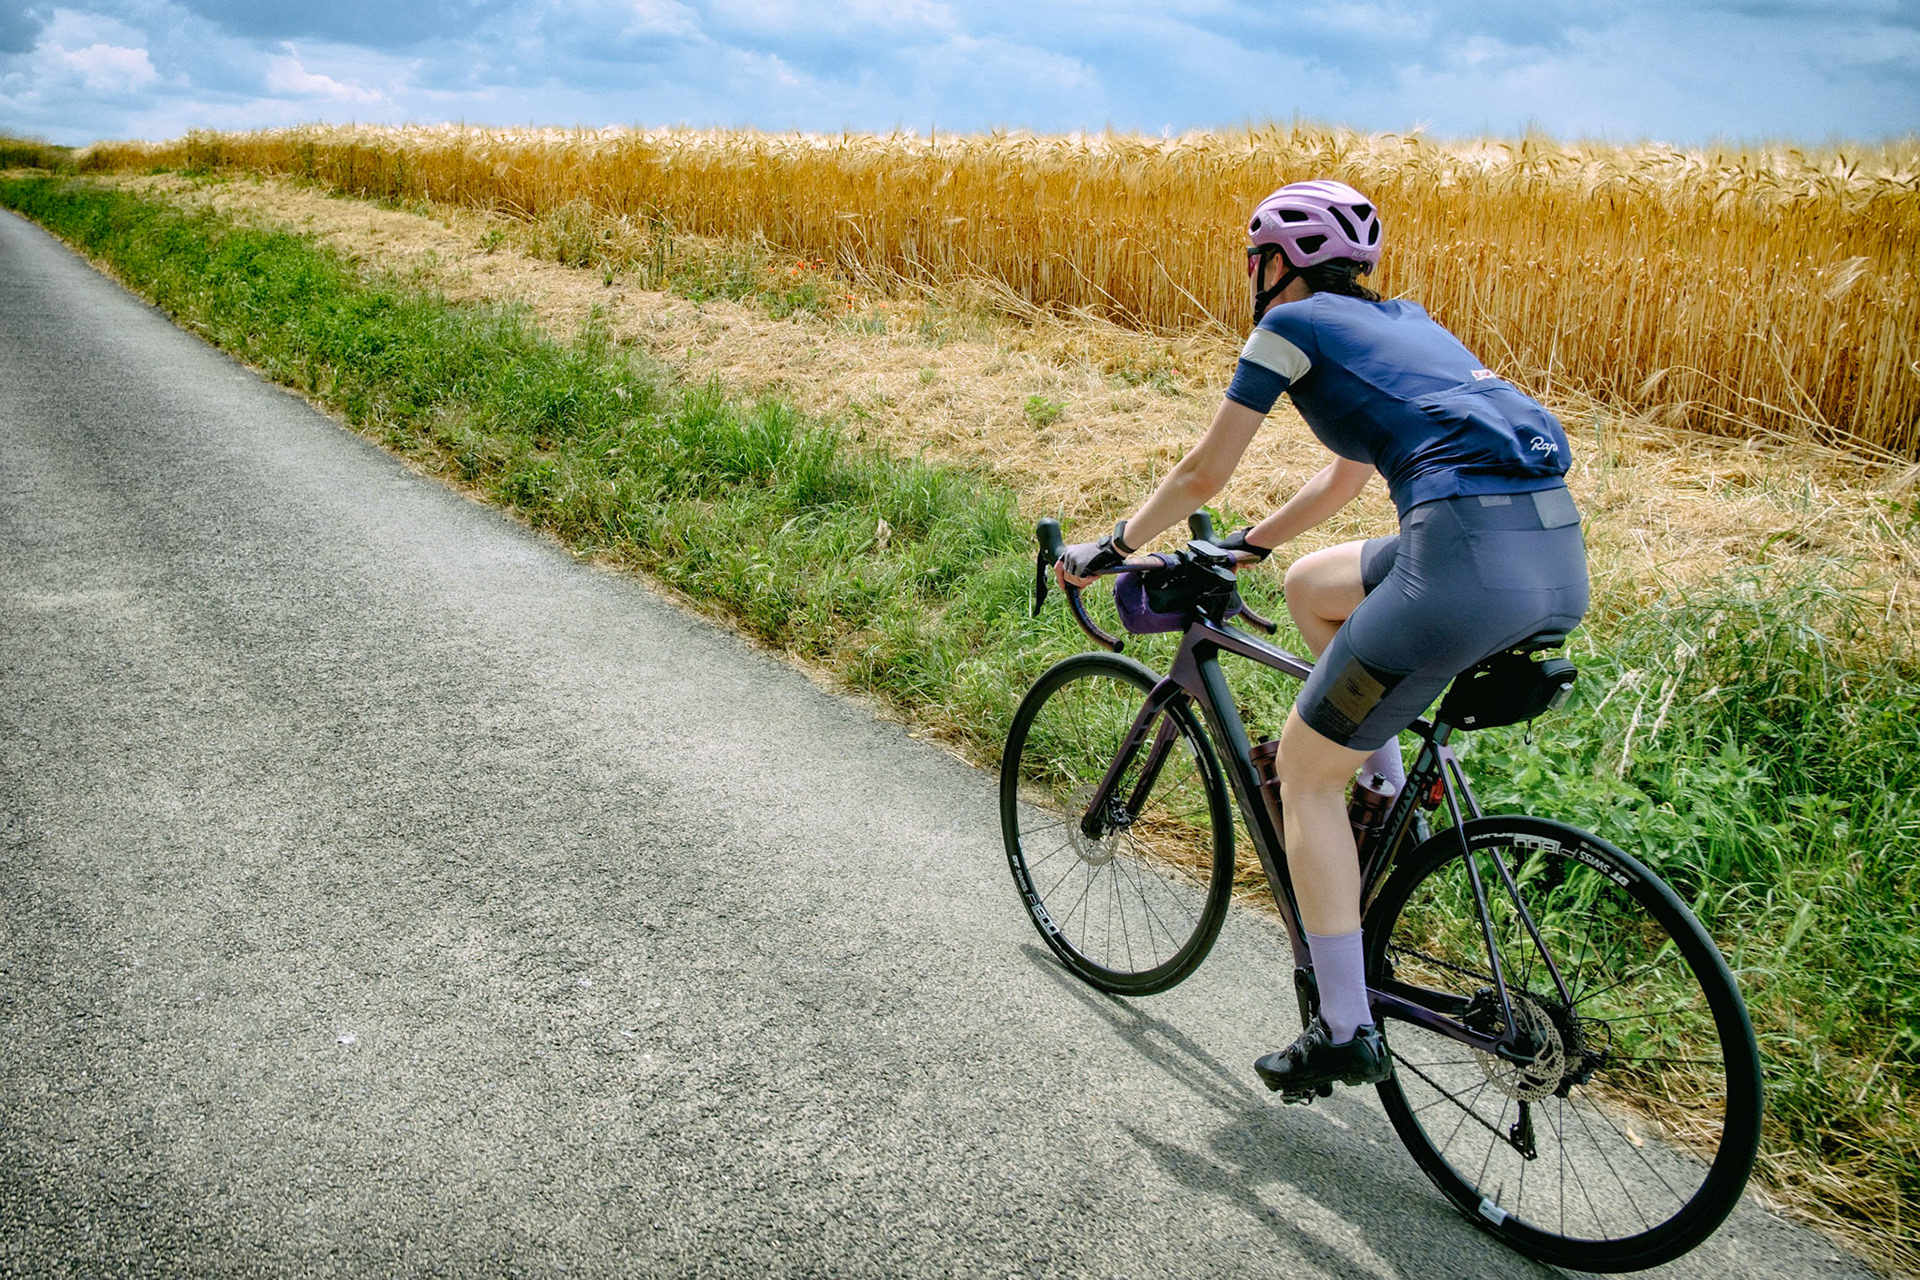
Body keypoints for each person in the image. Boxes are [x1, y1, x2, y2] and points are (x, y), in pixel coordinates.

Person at [1057, 179, 1590, 1096]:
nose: (1250, 274)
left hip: (1458, 563)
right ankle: (1385, 790)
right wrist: (1255, 545)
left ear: (1276, 263)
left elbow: (1203, 469)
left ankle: (1344, 1028)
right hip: (1551, 556)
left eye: (1253, 258)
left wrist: (1110, 547)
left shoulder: (1290, 327)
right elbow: (1347, 477)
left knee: (1305, 776)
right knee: (1314, 586)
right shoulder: (1403, 322)